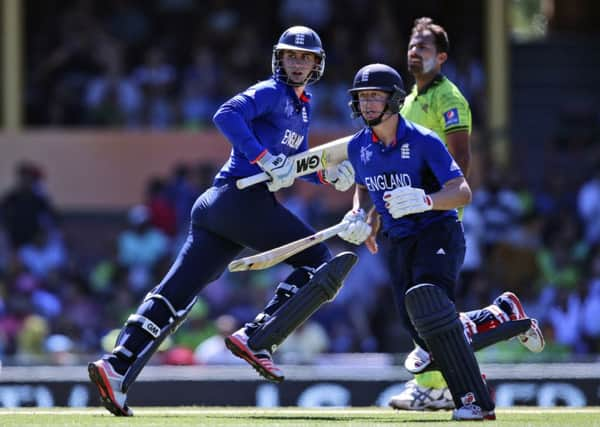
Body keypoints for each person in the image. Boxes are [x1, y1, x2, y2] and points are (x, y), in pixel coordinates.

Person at [88, 26, 358, 417]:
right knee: (317, 260)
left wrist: (325, 174)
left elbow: (293, 160)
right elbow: (227, 114)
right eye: (291, 56)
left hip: (221, 207)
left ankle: (117, 365)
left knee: (177, 294)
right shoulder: (270, 91)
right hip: (239, 200)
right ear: (278, 58)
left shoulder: (302, 106)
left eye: (305, 58)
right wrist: (263, 157)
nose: (297, 63)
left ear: (317, 65)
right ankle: (257, 337)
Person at [362, 17, 544, 411]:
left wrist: (427, 200)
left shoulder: (449, 98)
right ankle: (491, 322)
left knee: (431, 307)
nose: (415, 51)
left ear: (441, 57)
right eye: (412, 44)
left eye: (424, 46)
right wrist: (373, 214)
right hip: (405, 221)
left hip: (439, 217)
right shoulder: (406, 101)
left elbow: (458, 162)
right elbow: (384, 167)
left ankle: (447, 388)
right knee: (417, 312)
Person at [336, 62, 497, 420]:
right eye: (362, 97)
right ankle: (497, 317)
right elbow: (364, 188)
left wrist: (426, 199)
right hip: (398, 241)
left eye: (375, 96)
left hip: (437, 233)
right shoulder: (358, 146)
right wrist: (361, 216)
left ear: (394, 99)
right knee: (418, 326)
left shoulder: (424, 140)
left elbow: (463, 192)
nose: (367, 104)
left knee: (432, 310)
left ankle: (476, 403)